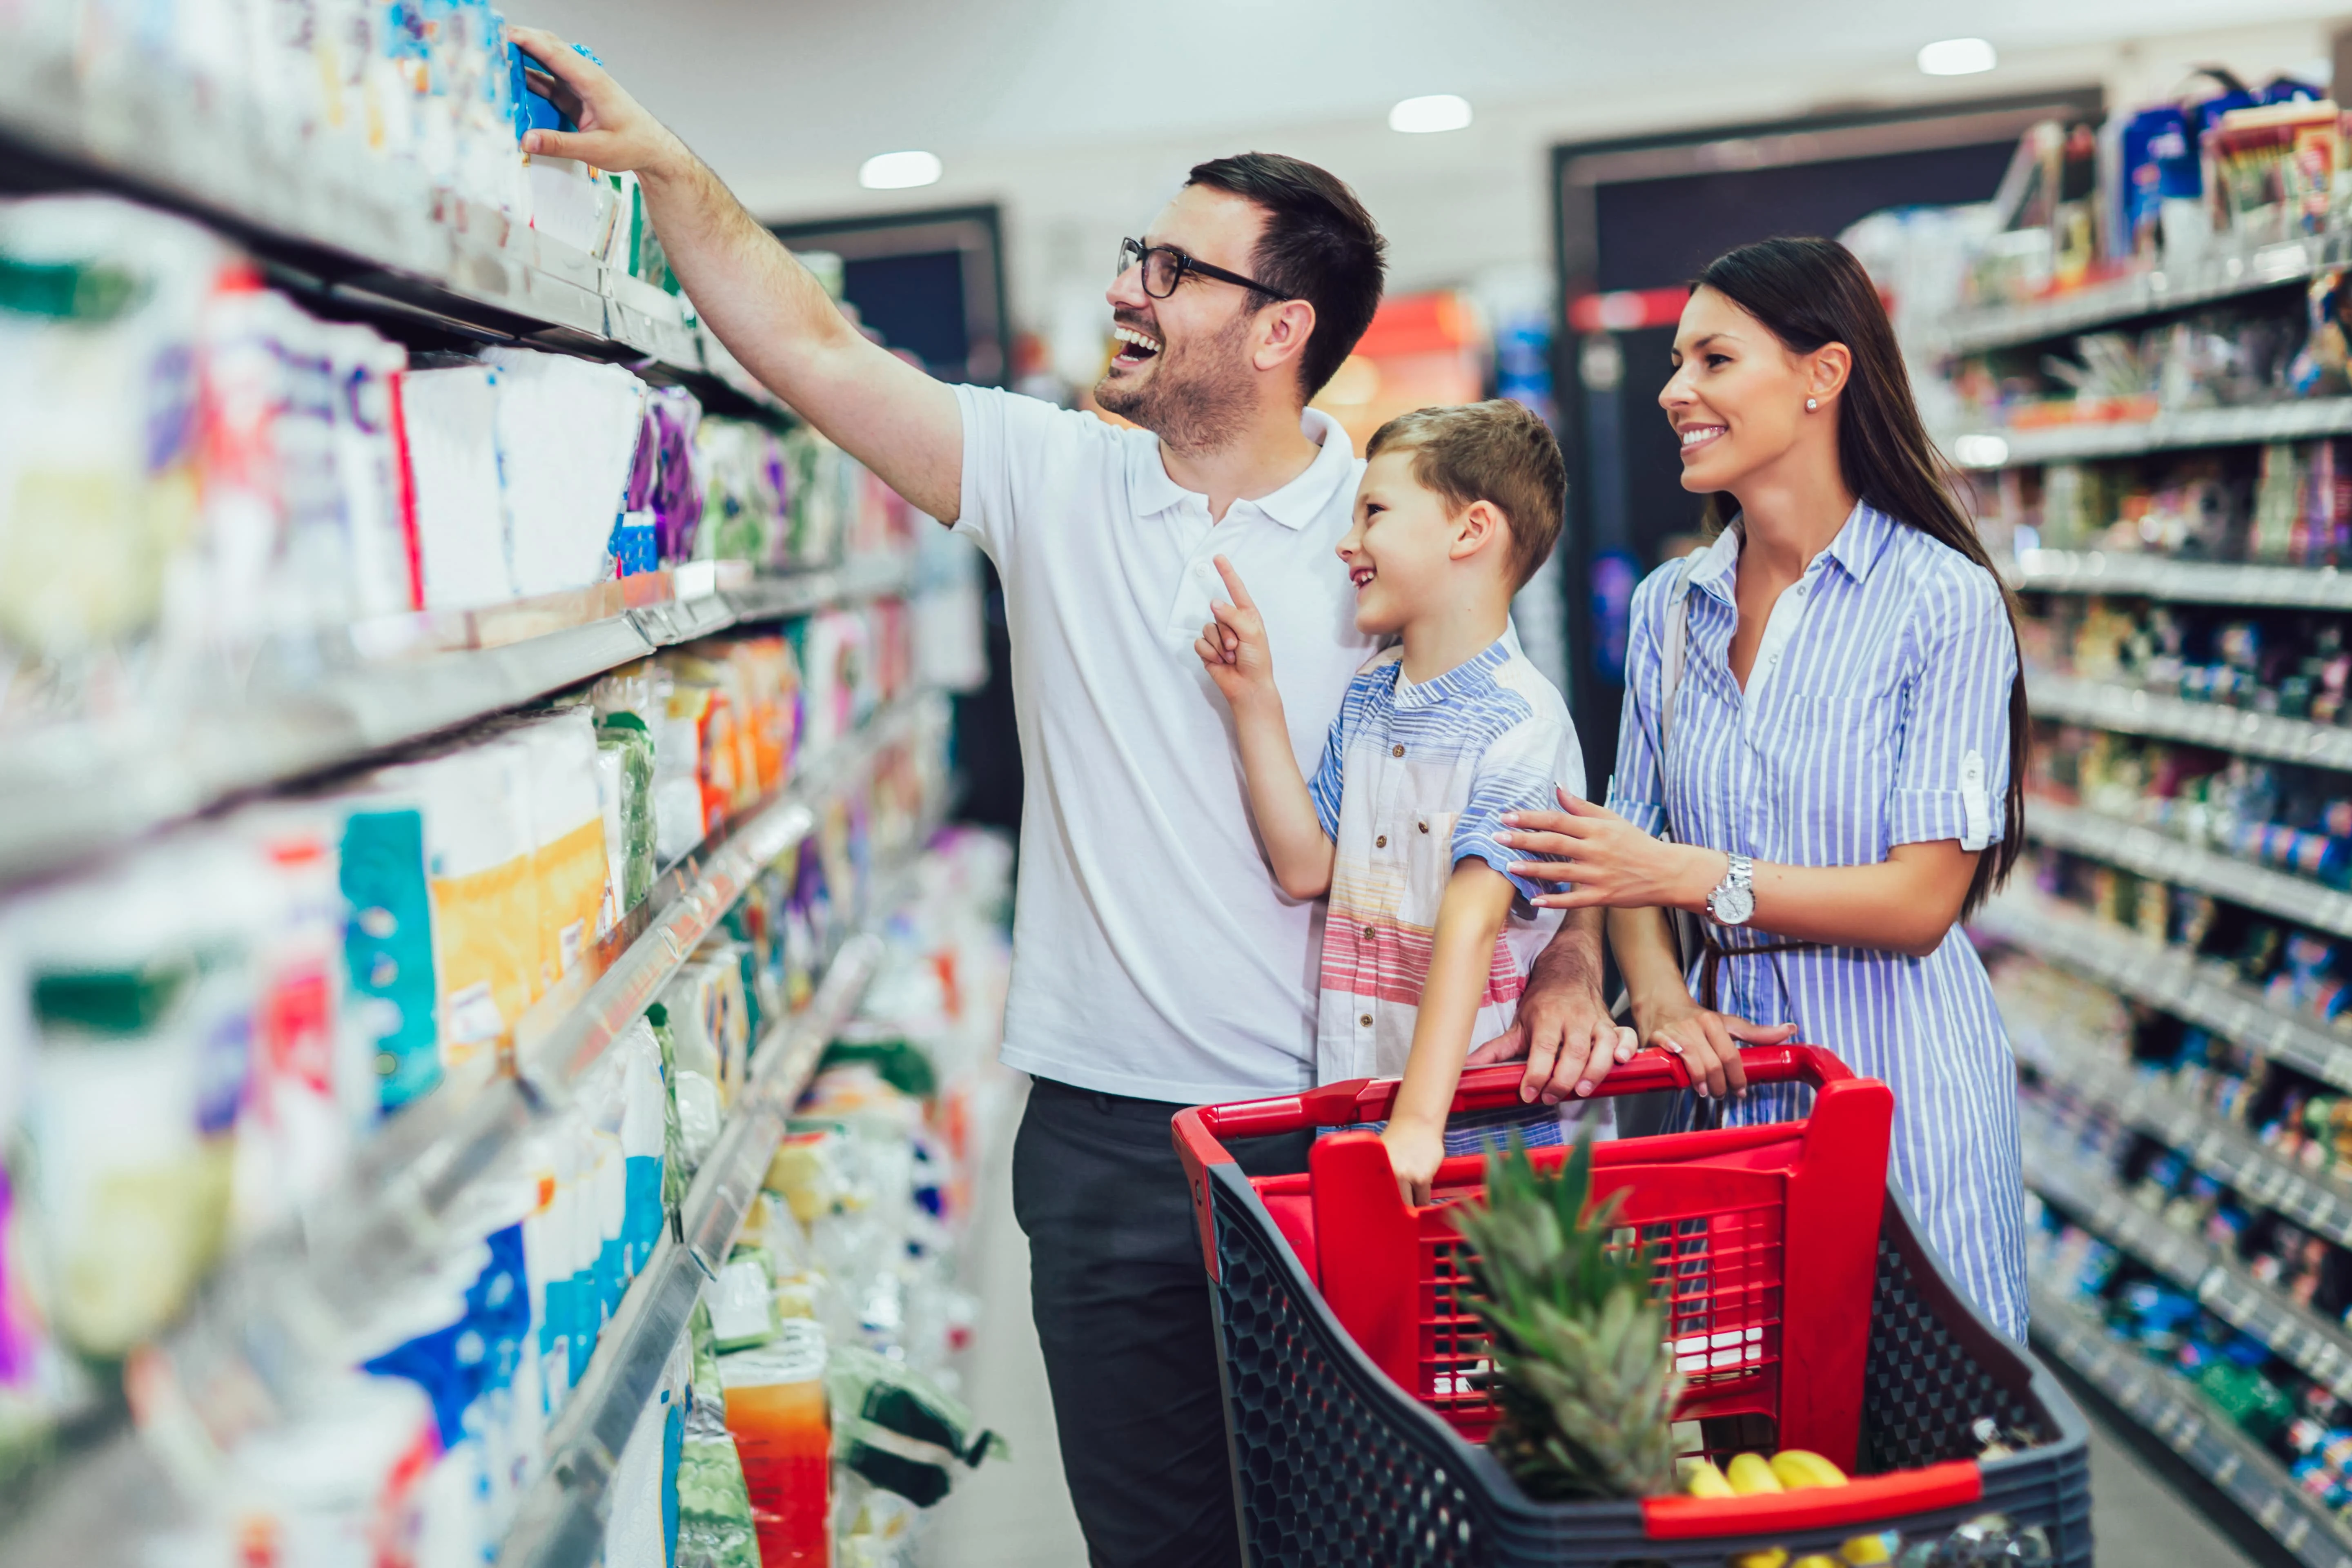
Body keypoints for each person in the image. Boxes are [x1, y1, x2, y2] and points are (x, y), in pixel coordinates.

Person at [503, 32, 1634, 1564]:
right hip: (1103, 1138)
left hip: (1332, 1134)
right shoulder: (1050, 478)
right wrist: (672, 169)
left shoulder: (1385, 531)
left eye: (1174, 270)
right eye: (1135, 255)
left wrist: (1567, 954)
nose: (1128, 288)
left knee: (1365, 1536)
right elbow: (817, 354)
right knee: (1154, 1543)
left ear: (1280, 327)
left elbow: (1507, 767)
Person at [1491, 235, 2032, 1339]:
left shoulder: (1941, 600)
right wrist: (1663, 995)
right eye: (1678, 361)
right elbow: (1626, 849)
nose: (1675, 390)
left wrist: (1692, 875)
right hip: (1721, 1090)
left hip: (1896, 1081)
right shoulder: (1670, 608)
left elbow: (1921, 903)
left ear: (1822, 375)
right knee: (1756, 1440)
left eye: (1714, 360)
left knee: (1925, 1428)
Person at [1194, 401, 1608, 1203]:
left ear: (1470, 531)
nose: (1347, 543)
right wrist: (1255, 700)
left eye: (1375, 512)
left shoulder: (1523, 722)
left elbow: (1474, 917)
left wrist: (1419, 1121)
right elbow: (1309, 865)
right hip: (1362, 1120)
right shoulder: (1370, 693)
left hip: (1482, 1146)